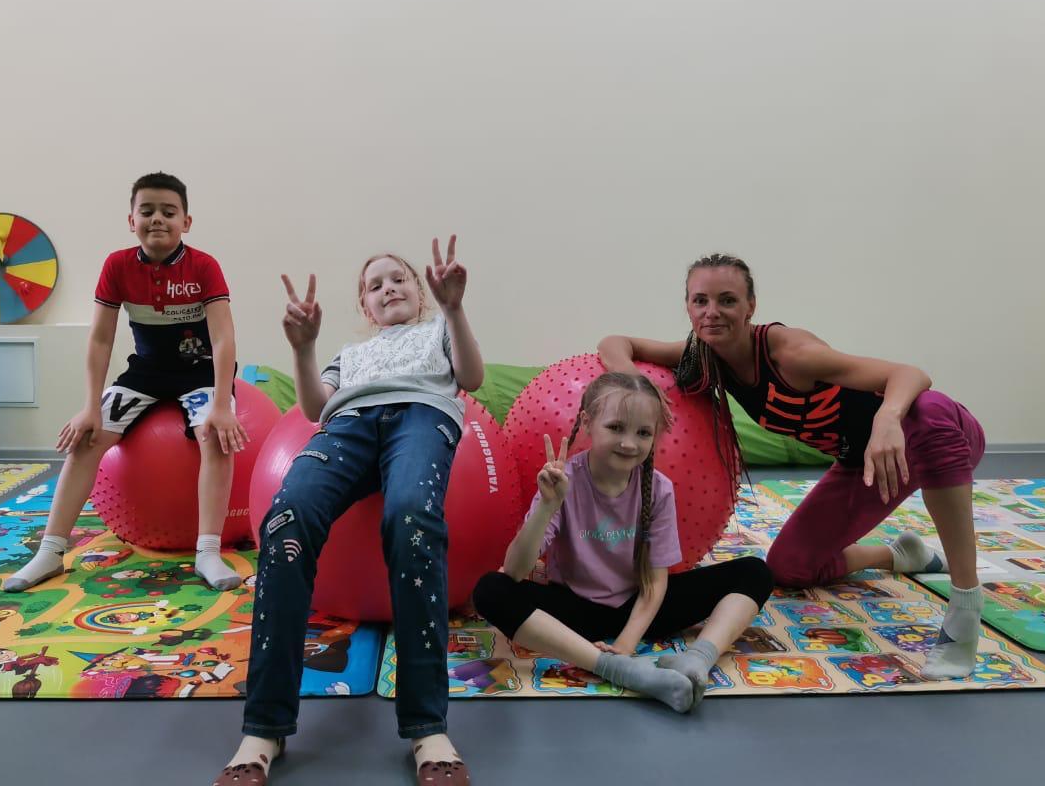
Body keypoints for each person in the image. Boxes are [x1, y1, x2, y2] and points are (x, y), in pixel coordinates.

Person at [599, 253, 986, 681]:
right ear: (688, 306)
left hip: (929, 433)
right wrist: (635, 384)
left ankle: (965, 609)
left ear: (751, 306)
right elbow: (616, 342)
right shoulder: (705, 355)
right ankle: (899, 554)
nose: (712, 312)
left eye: (727, 300)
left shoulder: (791, 353)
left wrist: (888, 417)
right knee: (788, 566)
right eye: (700, 301)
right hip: (864, 463)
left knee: (930, 415)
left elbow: (910, 374)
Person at [217, 237, 482, 786]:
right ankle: (265, 726)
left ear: (420, 291)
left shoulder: (439, 330)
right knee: (286, 517)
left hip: (421, 416)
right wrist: (304, 347)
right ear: (365, 306)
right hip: (348, 425)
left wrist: (455, 308)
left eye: (399, 279)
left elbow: (472, 377)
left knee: (410, 518)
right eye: (374, 285)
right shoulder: (352, 354)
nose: (388, 288)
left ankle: (427, 725)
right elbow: (316, 407)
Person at [4, 172, 246, 594]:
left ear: (186, 222)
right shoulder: (117, 265)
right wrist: (90, 407)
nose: (157, 219)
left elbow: (224, 338)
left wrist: (222, 404)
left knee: (215, 437)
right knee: (86, 439)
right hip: (146, 371)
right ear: (131, 220)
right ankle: (50, 550)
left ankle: (207, 551)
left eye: (168, 212)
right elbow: (100, 340)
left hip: (200, 371)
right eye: (146, 211)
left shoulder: (204, 266)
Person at [473, 372, 772, 712]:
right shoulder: (563, 480)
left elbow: (655, 583)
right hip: (573, 613)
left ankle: (697, 660)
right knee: (490, 590)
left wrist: (628, 642)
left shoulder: (658, 488)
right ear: (588, 423)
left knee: (755, 571)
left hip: (642, 609)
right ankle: (613, 669)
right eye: (616, 428)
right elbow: (514, 571)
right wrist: (547, 506)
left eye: (643, 433)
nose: (629, 444)